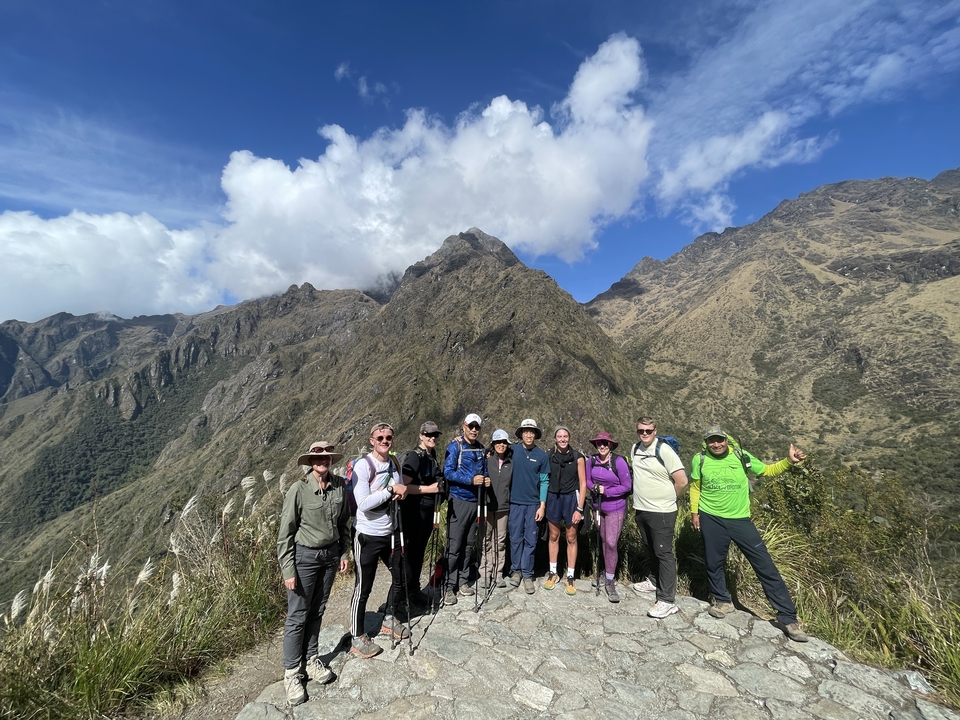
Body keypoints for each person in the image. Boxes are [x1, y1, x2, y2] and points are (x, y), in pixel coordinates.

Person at [690, 425, 809, 642]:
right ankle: (723, 601)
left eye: (720, 440)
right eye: (711, 441)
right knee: (714, 562)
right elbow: (696, 487)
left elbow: (766, 470)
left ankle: (787, 618)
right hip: (711, 517)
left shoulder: (740, 456)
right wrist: (694, 512)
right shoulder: (700, 460)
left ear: (727, 440)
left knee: (764, 564)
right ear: (706, 442)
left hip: (740, 520)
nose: (716, 444)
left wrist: (789, 461)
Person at [277, 441, 350, 705]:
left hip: (329, 556)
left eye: (327, 458)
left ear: (331, 460)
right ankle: (292, 672)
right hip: (305, 557)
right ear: (310, 462)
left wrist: (343, 552)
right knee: (298, 615)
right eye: (317, 459)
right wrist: (288, 569)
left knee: (318, 610)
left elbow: (344, 522)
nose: (323, 462)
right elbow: (285, 533)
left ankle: (311, 659)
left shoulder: (340, 486)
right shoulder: (298, 490)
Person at [349, 422, 410, 659]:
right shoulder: (363, 466)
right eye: (380, 437)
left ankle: (388, 618)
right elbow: (363, 503)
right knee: (363, 587)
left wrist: (399, 491)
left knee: (401, 574)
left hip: (390, 531)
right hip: (367, 534)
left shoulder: (395, 463)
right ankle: (357, 636)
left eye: (389, 437)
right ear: (371, 440)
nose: (385, 441)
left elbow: (400, 490)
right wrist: (391, 490)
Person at [629, 416, 688, 618]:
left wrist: (670, 499)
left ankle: (667, 600)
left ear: (655, 431)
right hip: (642, 509)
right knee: (650, 548)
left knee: (664, 553)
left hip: (662, 511)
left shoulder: (664, 450)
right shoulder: (635, 449)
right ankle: (654, 581)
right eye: (641, 430)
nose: (644, 434)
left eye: (648, 430)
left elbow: (681, 481)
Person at [441, 413, 488, 605]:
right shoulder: (455, 446)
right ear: (464, 426)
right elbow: (448, 472)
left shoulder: (482, 449)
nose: (474, 430)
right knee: (454, 545)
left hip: (475, 501)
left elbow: (483, 470)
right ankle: (448, 586)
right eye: (471, 426)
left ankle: (463, 581)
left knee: (469, 544)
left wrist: (486, 479)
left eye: (477, 427)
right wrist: (470, 480)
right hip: (459, 500)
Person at [399, 421, 444, 606]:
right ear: (421, 436)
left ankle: (413, 591)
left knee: (417, 553)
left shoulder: (431, 455)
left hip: (426, 512)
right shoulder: (414, 457)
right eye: (428, 435)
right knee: (411, 555)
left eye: (435, 435)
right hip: (414, 513)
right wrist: (430, 489)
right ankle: (403, 596)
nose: (432, 438)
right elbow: (404, 486)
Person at [584, 432, 632, 603]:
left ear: (610, 445)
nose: (602, 446)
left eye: (605, 443)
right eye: (599, 443)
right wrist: (595, 487)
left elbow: (627, 486)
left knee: (611, 542)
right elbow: (587, 480)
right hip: (598, 507)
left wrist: (607, 491)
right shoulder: (592, 460)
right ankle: (606, 572)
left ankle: (610, 580)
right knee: (604, 540)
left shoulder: (618, 462)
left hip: (615, 508)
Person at [507, 418, 550, 595]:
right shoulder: (513, 451)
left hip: (533, 504)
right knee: (515, 537)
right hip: (515, 502)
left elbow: (544, 482)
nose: (529, 434)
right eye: (526, 431)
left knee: (531, 540)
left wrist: (542, 506)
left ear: (535, 434)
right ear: (521, 434)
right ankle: (515, 571)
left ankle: (527, 574)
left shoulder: (542, 455)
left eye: (532, 432)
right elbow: (495, 453)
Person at [543, 426, 586, 595]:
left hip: (570, 499)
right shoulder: (549, 457)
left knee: (571, 538)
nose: (562, 439)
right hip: (553, 498)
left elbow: (583, 484)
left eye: (565, 436)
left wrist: (579, 508)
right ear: (555, 439)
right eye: (559, 436)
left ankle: (570, 575)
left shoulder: (578, 457)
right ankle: (553, 572)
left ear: (569, 438)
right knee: (553, 536)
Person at [481, 429, 513, 589]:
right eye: (498, 442)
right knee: (486, 540)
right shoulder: (486, 460)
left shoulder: (511, 463)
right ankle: (485, 573)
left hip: (503, 507)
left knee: (500, 541)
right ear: (493, 444)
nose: (501, 445)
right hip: (487, 506)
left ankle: (498, 574)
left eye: (504, 442)